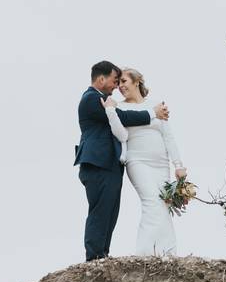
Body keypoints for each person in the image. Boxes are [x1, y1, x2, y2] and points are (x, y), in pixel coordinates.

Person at [74, 61, 169, 261]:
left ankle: (102, 254)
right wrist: (153, 113)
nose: (116, 86)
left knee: (110, 212)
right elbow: (123, 117)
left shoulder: (103, 99)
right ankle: (94, 258)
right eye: (114, 81)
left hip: (109, 165)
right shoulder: (92, 99)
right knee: (100, 211)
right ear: (101, 79)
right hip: (97, 163)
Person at [102, 67, 186, 257]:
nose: (120, 87)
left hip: (161, 163)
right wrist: (111, 110)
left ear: (136, 81)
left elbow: (169, 137)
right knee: (151, 201)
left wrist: (178, 165)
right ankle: (144, 253)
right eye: (118, 83)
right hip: (137, 161)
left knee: (164, 203)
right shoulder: (121, 107)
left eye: (124, 81)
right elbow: (120, 133)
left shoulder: (156, 104)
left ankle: (168, 252)